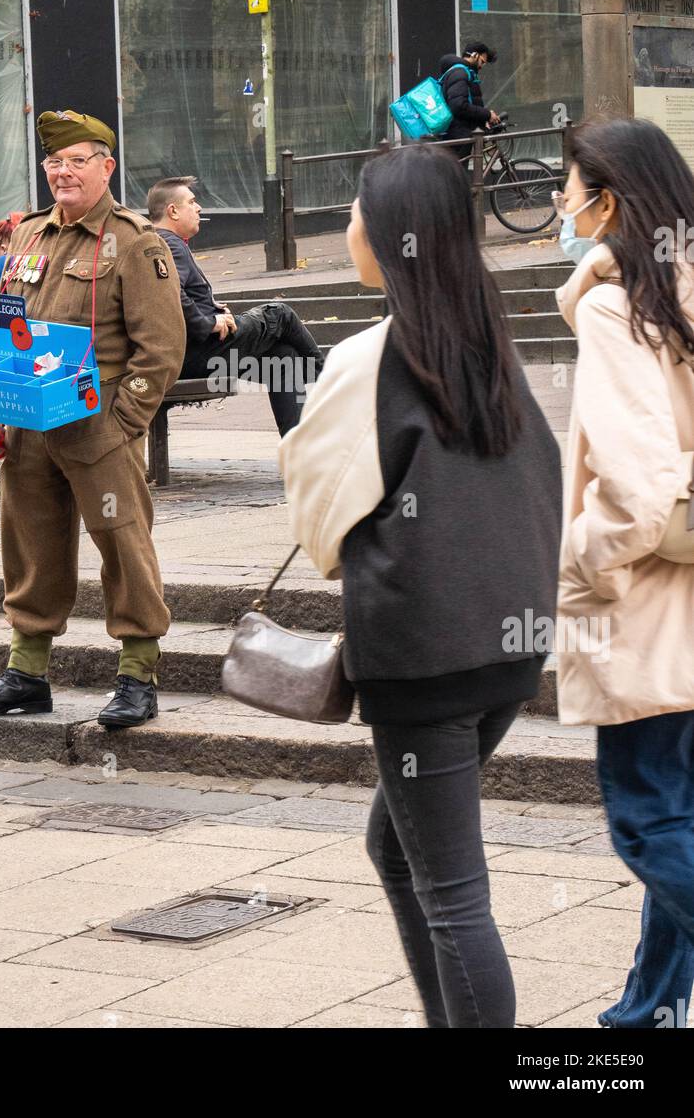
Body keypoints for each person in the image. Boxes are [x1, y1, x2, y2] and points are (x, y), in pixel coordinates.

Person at [279, 142, 562, 1028]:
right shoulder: (487, 339)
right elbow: (542, 477)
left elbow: (317, 516)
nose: (351, 228)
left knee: (453, 895)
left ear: (395, 231)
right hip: (504, 650)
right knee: (397, 851)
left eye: (358, 212)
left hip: (423, 656)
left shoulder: (371, 358)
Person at [0, 109, 186, 729]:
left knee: (122, 546)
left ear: (106, 168)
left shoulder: (136, 241)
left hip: (96, 424)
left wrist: (124, 421)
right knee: (30, 546)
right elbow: (7, 327)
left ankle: (137, 675)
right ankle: (27, 673)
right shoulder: (27, 236)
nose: (62, 172)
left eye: (76, 161)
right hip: (28, 426)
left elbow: (160, 347)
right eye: (54, 163)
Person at [554, 118, 694, 1029]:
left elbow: (639, 489)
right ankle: (643, 1015)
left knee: (648, 821)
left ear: (608, 197)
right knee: (681, 815)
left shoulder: (619, 307)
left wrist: (577, 562)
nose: (559, 206)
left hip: (647, 606)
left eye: (567, 189)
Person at [147, 176, 324, 435]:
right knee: (279, 314)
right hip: (195, 353)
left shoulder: (159, 243)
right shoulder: (168, 244)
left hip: (189, 354)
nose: (199, 208)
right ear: (173, 210)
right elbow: (171, 294)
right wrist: (209, 321)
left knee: (284, 357)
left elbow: (172, 293)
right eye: (192, 202)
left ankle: (299, 449)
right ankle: (329, 379)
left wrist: (210, 307)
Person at [438, 41, 501, 152]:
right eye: (482, 61)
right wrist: (487, 114)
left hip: (461, 134)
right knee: (459, 169)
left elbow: (469, 104)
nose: (482, 66)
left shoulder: (465, 72)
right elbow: (459, 106)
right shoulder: (460, 73)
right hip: (458, 136)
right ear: (474, 55)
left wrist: (483, 119)